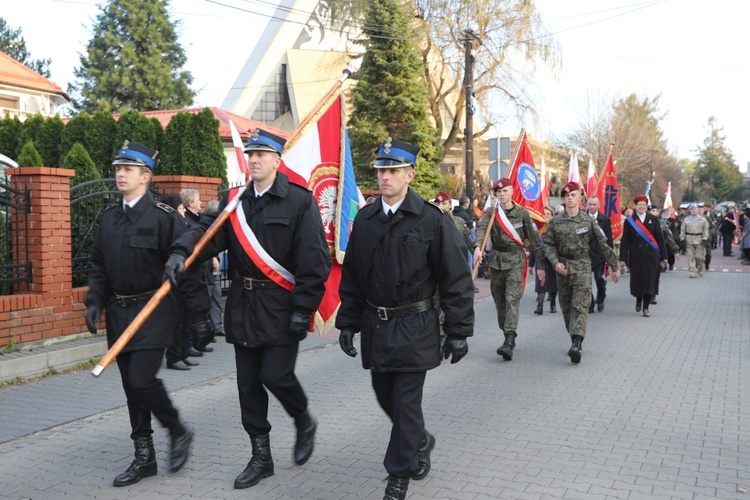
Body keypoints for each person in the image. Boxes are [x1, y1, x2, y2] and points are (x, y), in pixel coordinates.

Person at [165, 129, 331, 489]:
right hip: (243, 305)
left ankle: (303, 419)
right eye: (250, 154)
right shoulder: (234, 201)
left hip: (282, 305)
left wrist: (304, 307)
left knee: (277, 376)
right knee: (248, 387)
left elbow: (314, 262)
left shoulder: (298, 202)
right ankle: (261, 457)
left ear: (277, 160)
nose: (253, 159)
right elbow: (206, 233)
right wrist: (181, 252)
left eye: (261, 154)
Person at [337, 137, 474, 500]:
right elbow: (352, 275)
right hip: (377, 326)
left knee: (406, 402)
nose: (385, 176)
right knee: (386, 396)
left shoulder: (431, 220)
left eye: (394, 170)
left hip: (416, 326)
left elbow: (456, 278)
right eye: (382, 170)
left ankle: (399, 475)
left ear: (410, 175)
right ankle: (421, 439)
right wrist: (347, 322)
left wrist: (458, 331)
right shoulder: (365, 220)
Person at [84, 141, 199, 486]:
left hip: (153, 311)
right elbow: (99, 266)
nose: (120, 174)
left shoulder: (163, 218)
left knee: (142, 380)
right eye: (118, 168)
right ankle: (144, 457)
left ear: (145, 177)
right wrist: (94, 301)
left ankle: (178, 430)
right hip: (119, 311)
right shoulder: (110, 218)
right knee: (132, 388)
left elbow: (187, 258)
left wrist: (200, 317)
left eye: (128, 169)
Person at [544, 182, 620, 363]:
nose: (570, 198)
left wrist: (614, 266)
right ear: (564, 198)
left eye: (573, 195)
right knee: (567, 307)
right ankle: (574, 338)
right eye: (567, 195)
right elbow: (549, 246)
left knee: (580, 305)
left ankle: (576, 344)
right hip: (562, 269)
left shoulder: (588, 221)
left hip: (582, 268)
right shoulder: (555, 222)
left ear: (580, 198)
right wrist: (555, 263)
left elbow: (603, 244)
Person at [474, 177, 545, 360]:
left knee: (511, 298)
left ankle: (508, 339)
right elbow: (482, 231)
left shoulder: (522, 214)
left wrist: (541, 266)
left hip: (515, 261)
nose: (502, 194)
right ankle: (507, 331)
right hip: (497, 261)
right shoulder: (492, 214)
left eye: (505, 191)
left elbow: (535, 241)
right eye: (498, 192)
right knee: (500, 302)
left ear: (512, 191)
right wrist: (477, 248)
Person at [159, 193, 199, 371]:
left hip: (185, 280)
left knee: (185, 318)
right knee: (176, 320)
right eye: (182, 208)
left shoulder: (182, 223)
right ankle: (174, 357)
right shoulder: (171, 224)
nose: (184, 211)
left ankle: (183, 353)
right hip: (174, 281)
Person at [619, 196, 668, 317]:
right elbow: (625, 241)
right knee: (638, 281)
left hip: (652, 256)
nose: (642, 207)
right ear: (635, 206)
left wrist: (664, 256)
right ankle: (638, 300)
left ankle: (646, 307)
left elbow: (660, 239)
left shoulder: (653, 219)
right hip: (636, 256)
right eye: (639, 204)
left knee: (651, 280)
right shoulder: (629, 221)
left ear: (646, 206)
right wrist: (623, 258)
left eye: (644, 205)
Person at [181, 188, 215, 354]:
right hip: (190, 275)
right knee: (189, 313)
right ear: (190, 203)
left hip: (202, 270)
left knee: (201, 307)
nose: (201, 202)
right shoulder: (186, 221)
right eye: (198, 199)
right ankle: (189, 345)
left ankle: (197, 343)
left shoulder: (198, 220)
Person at [584, 196, 613, 313]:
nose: (591, 207)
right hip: (585, 254)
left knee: (599, 279)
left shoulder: (604, 219)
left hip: (599, 255)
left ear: (598, 205)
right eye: (589, 204)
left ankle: (600, 298)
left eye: (594, 204)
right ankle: (590, 303)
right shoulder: (582, 218)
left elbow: (608, 239)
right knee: (586, 282)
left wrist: (609, 258)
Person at [529, 206, 557, 315]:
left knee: (553, 283)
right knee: (541, 283)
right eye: (544, 214)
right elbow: (533, 248)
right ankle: (539, 306)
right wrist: (530, 264)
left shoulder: (555, 228)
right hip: (540, 260)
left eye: (548, 214)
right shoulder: (537, 229)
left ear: (552, 216)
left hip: (553, 260)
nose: (546, 216)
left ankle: (553, 304)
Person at [680, 203, 709, 278]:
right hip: (689, 239)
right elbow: (682, 230)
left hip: (699, 239)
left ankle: (700, 268)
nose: (693, 210)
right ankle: (692, 272)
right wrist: (682, 239)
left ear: (698, 210)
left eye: (695, 209)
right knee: (690, 257)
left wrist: (705, 239)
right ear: (689, 210)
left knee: (699, 257)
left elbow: (706, 230)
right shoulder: (686, 219)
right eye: (692, 209)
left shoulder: (702, 219)